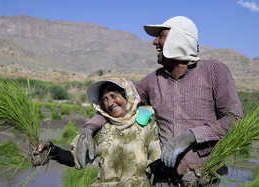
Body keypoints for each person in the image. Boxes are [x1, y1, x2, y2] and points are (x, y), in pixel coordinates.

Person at [75, 16, 243, 186]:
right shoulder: (152, 81)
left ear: (180, 39)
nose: (154, 42)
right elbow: (117, 105)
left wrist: (191, 135)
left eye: (161, 36)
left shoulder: (214, 70)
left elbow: (234, 120)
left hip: (204, 178)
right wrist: (88, 129)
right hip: (164, 180)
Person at [32, 77, 161, 186]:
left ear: (127, 95)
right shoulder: (100, 130)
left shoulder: (147, 126)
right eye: (105, 99)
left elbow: (155, 162)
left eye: (113, 96)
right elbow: (76, 158)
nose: (110, 103)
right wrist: (51, 149)